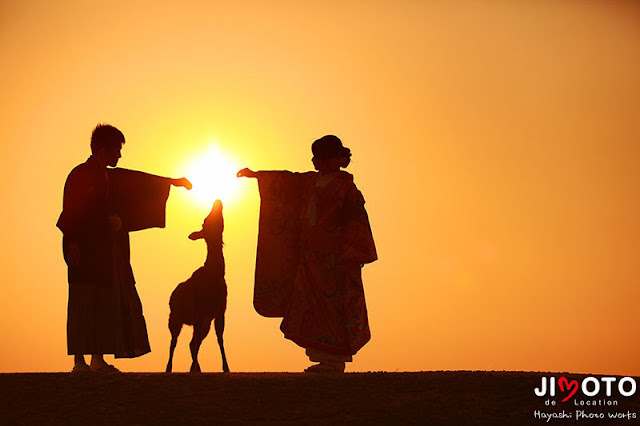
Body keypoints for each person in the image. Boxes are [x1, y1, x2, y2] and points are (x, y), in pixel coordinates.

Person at [57, 124, 192, 373]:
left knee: (102, 302)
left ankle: (97, 358)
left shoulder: (109, 176)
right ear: (102, 148)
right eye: (116, 150)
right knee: (82, 302)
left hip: (104, 252)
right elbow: (71, 212)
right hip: (83, 249)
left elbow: (137, 181)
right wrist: (73, 243)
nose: (119, 155)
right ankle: (79, 361)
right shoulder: (80, 174)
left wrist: (172, 182)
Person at [238, 135, 377, 373]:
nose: (315, 162)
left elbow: (357, 221)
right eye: (314, 157)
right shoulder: (311, 181)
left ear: (334, 159)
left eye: (320, 157)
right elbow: (286, 180)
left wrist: (352, 253)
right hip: (310, 259)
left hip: (334, 260)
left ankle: (334, 361)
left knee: (332, 309)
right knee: (310, 307)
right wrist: (257, 175)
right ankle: (324, 359)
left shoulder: (347, 189)